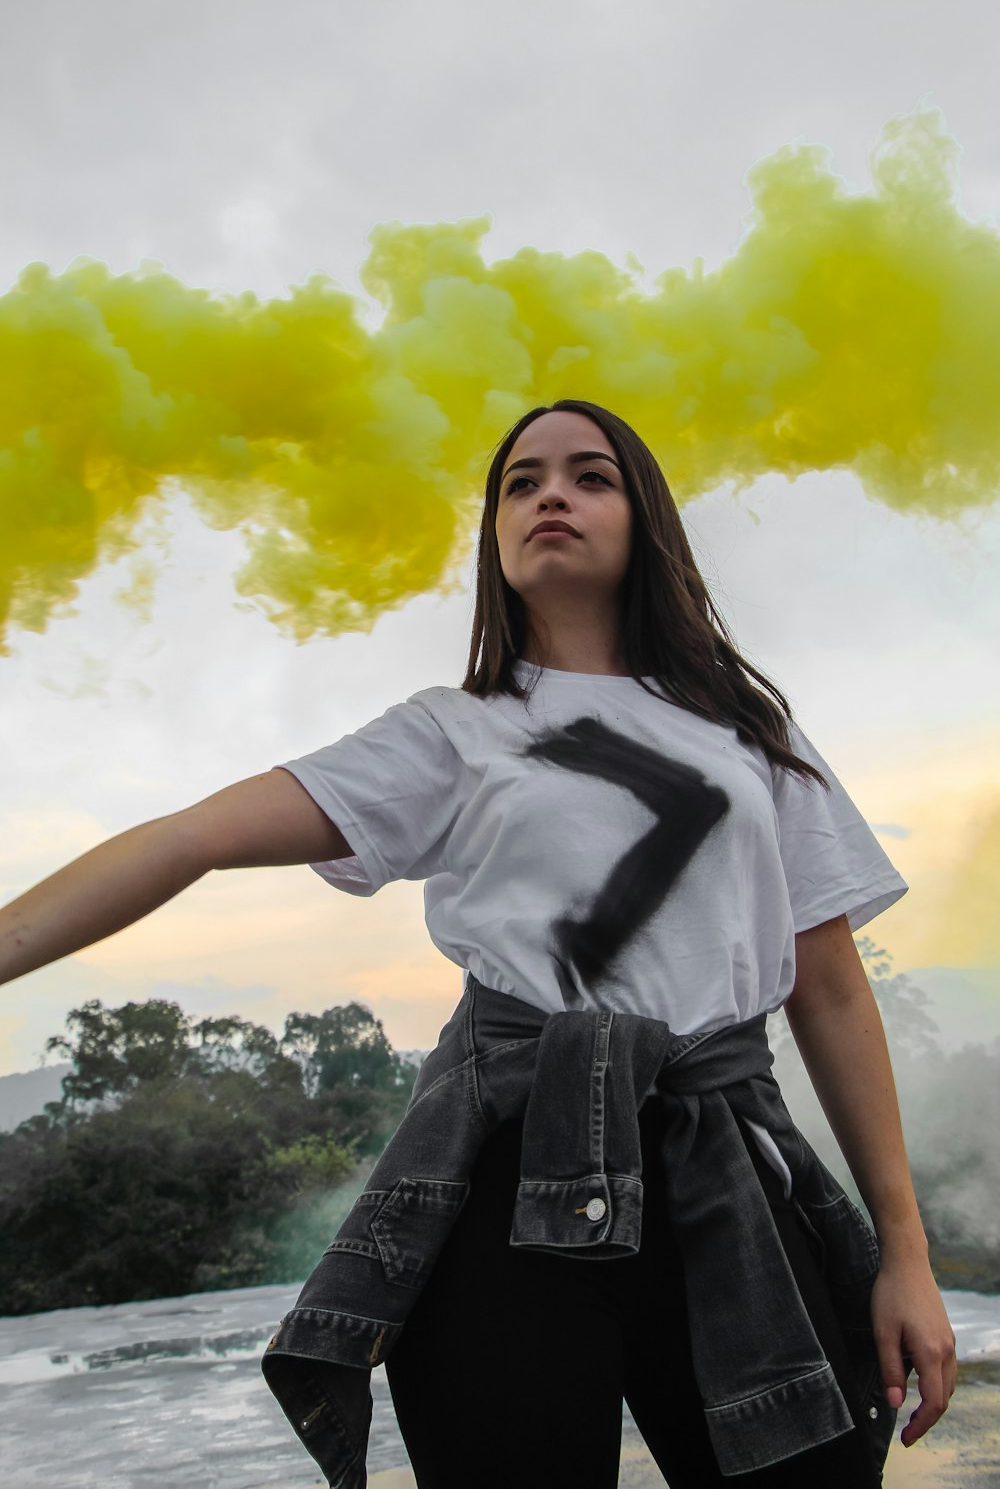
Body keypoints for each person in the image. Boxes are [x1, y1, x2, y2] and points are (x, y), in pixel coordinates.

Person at [0, 399, 956, 1487]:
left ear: (646, 521)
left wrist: (904, 1256)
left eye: (591, 477)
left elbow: (827, 992)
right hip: (508, 1182)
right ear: (495, 538)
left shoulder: (748, 732)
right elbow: (189, 838)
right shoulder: (450, 732)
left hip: (726, 1164)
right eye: (520, 483)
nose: (551, 494)